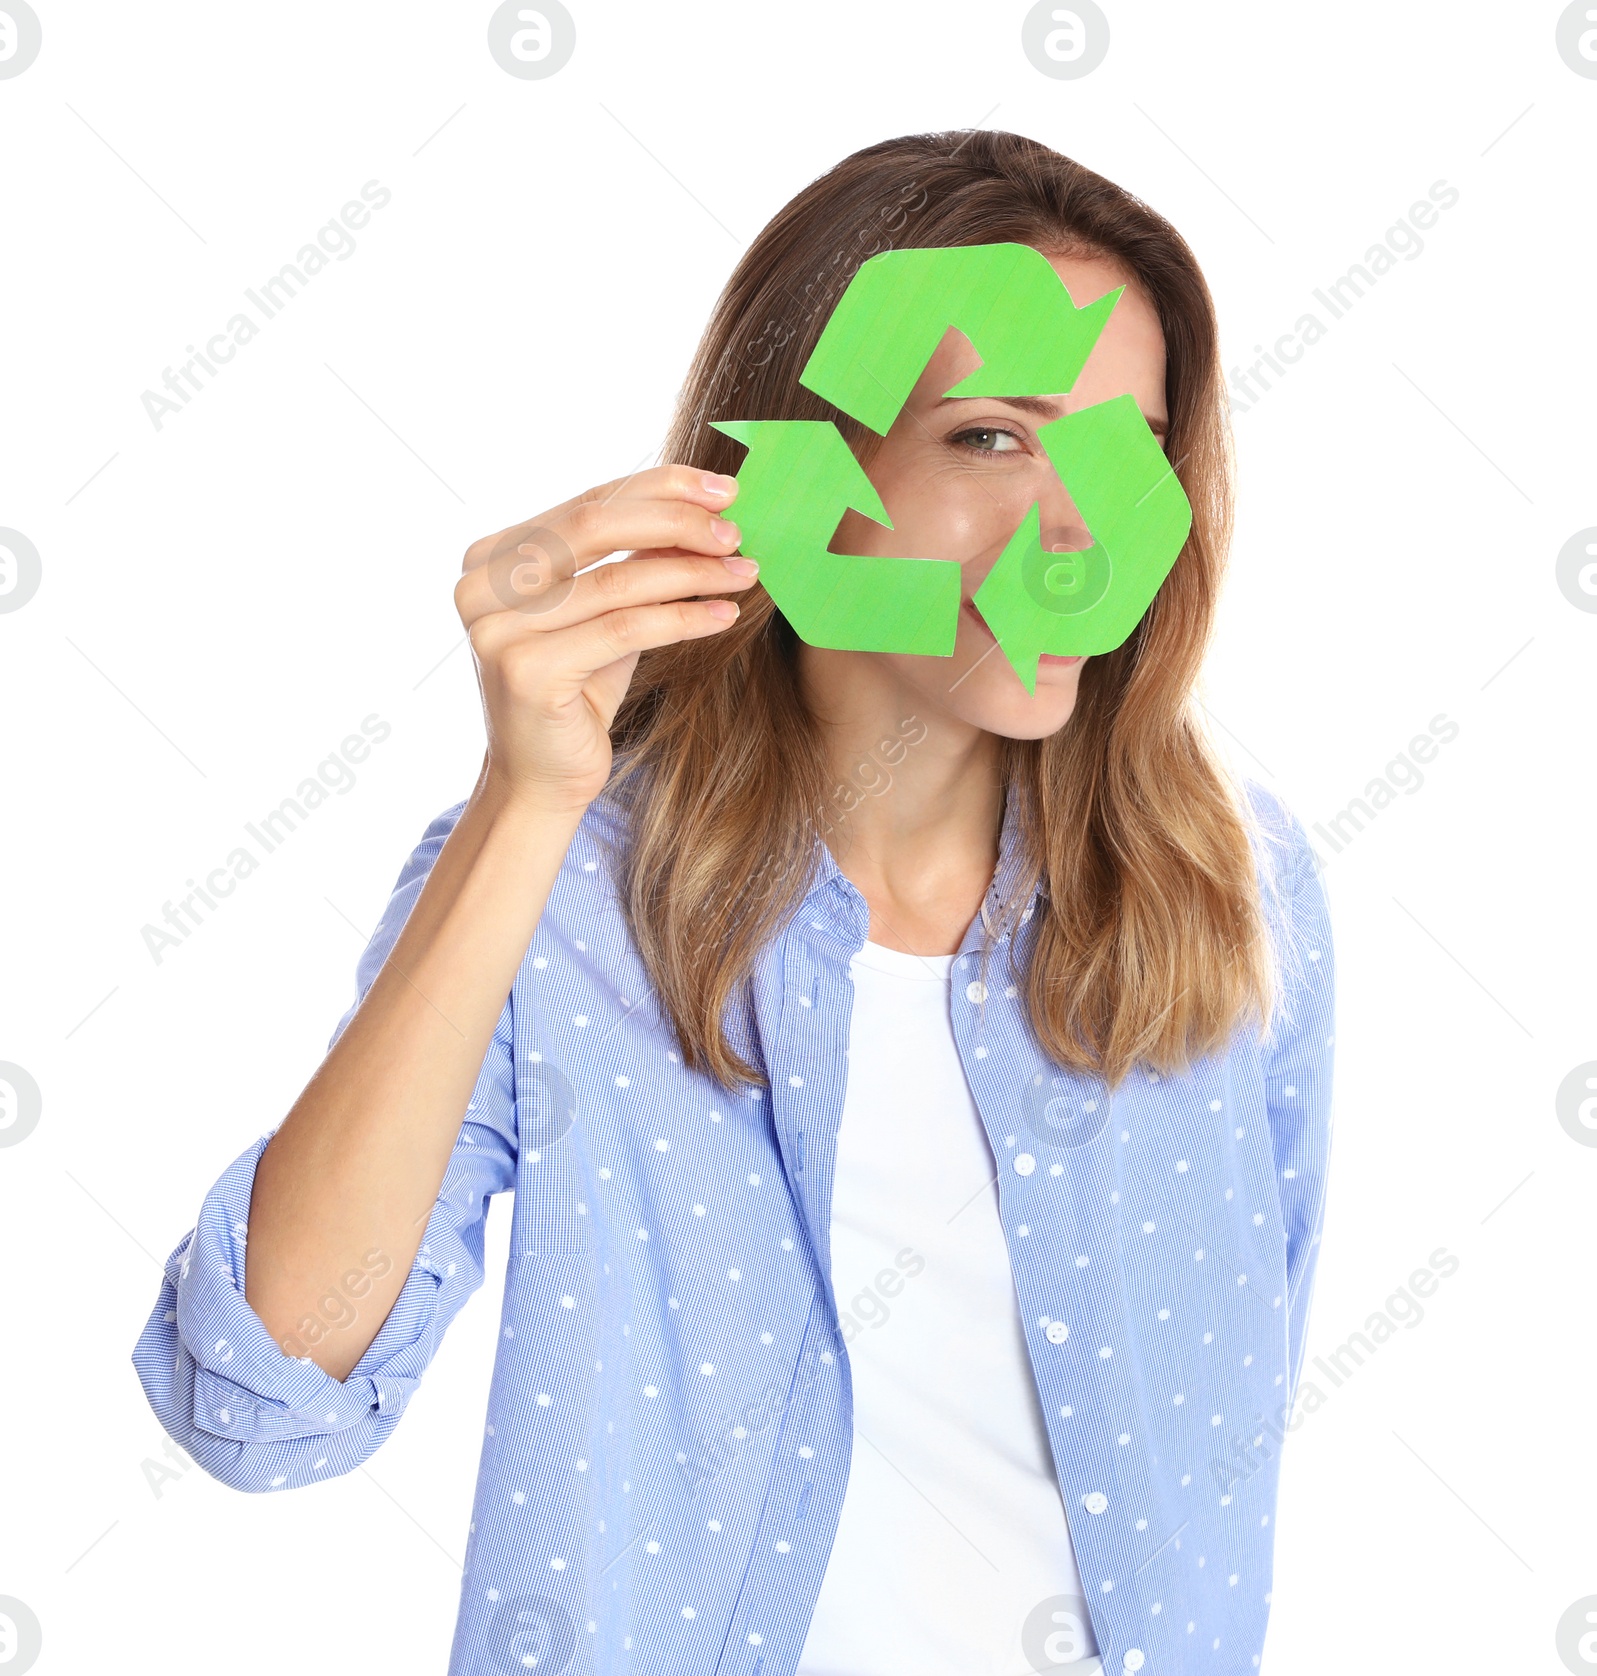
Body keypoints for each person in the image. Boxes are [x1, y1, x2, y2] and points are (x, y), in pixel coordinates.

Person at [132, 129, 1335, 1676]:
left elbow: (1233, 1449)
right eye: (990, 439)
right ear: (793, 473)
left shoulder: (1235, 890)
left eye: (1132, 451)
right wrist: (528, 802)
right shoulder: (557, 891)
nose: (1078, 535)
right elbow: (263, 1394)